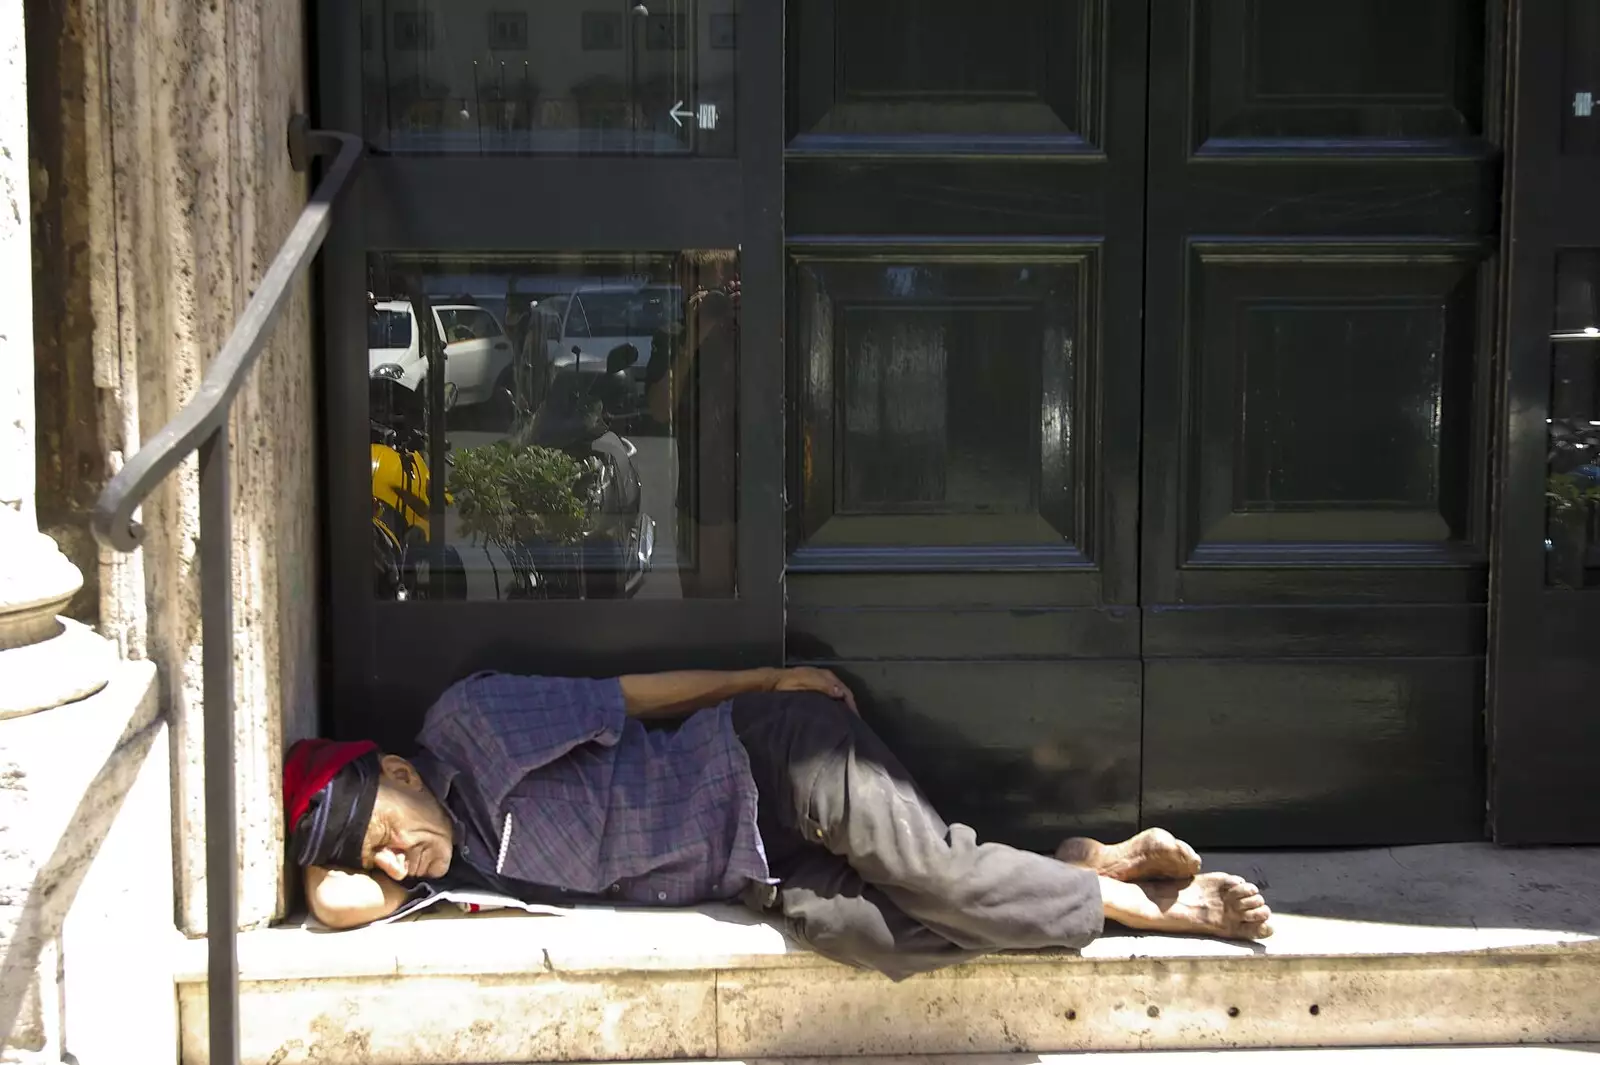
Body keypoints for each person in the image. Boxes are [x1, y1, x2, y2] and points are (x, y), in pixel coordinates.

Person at [286, 668, 1272, 980]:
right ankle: (1078, 860)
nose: (396, 857)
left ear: (403, 768)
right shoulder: (445, 877)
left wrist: (770, 676)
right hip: (753, 870)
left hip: (771, 763)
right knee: (880, 938)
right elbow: (335, 903)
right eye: (377, 860)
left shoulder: (472, 723)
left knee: (948, 882)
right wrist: (338, 859)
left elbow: (629, 696)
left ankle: (1141, 904)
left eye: (385, 823)